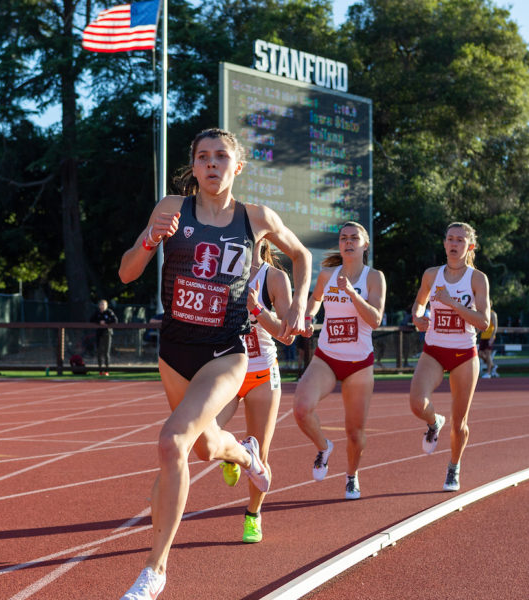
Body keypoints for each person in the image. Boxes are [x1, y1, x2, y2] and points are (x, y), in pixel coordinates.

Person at [117, 127, 311, 600]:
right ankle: (247, 455)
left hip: (226, 353)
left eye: (221, 156)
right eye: (202, 156)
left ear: (236, 167)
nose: (211, 164)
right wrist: (148, 240)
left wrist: (299, 307)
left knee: (172, 443)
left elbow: (302, 254)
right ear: (193, 166)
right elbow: (125, 273)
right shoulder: (170, 210)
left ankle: (155, 572)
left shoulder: (256, 218)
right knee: (204, 448)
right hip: (175, 350)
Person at [293, 221, 387, 501]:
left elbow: (376, 319)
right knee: (301, 408)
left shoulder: (373, 278)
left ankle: (351, 476)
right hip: (327, 357)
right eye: (343, 238)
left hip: (359, 363)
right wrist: (308, 317)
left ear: (364, 244)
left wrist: (351, 293)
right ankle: (323, 447)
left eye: (354, 238)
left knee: (355, 433)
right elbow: (315, 300)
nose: (348, 242)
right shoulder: (326, 275)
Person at [215, 238, 295, 544]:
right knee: (204, 432)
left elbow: (286, 335)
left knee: (261, 455)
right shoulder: (221, 271)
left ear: (264, 238)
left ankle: (252, 515)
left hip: (262, 372)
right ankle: (234, 454)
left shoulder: (274, 278)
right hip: (227, 369)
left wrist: (257, 308)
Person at [409, 222, 490, 492]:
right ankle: (433, 422)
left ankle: (454, 466)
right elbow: (419, 303)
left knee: (460, 423)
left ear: (470, 247)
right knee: (416, 403)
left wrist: (453, 303)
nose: (454, 244)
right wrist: (418, 317)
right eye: (450, 239)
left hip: (464, 354)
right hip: (434, 350)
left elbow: (484, 322)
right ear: (444, 244)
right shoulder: (432, 275)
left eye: (460, 240)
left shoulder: (477, 279)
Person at [90, 299, 118, 375]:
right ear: (99, 306)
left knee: (106, 352)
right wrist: (99, 322)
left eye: (103, 305)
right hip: (99, 334)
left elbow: (115, 320)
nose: (102, 306)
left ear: (106, 306)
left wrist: (106, 322)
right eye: (101, 304)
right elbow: (91, 319)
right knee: (99, 352)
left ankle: (107, 370)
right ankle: (100, 370)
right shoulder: (97, 313)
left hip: (107, 334)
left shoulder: (109, 312)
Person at [479, 304, 498, 378]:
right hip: (483, 336)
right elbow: (480, 326)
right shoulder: (483, 313)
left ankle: (488, 373)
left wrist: (492, 337)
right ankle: (492, 366)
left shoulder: (492, 313)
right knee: (480, 354)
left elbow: (495, 326)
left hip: (489, 336)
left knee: (488, 354)